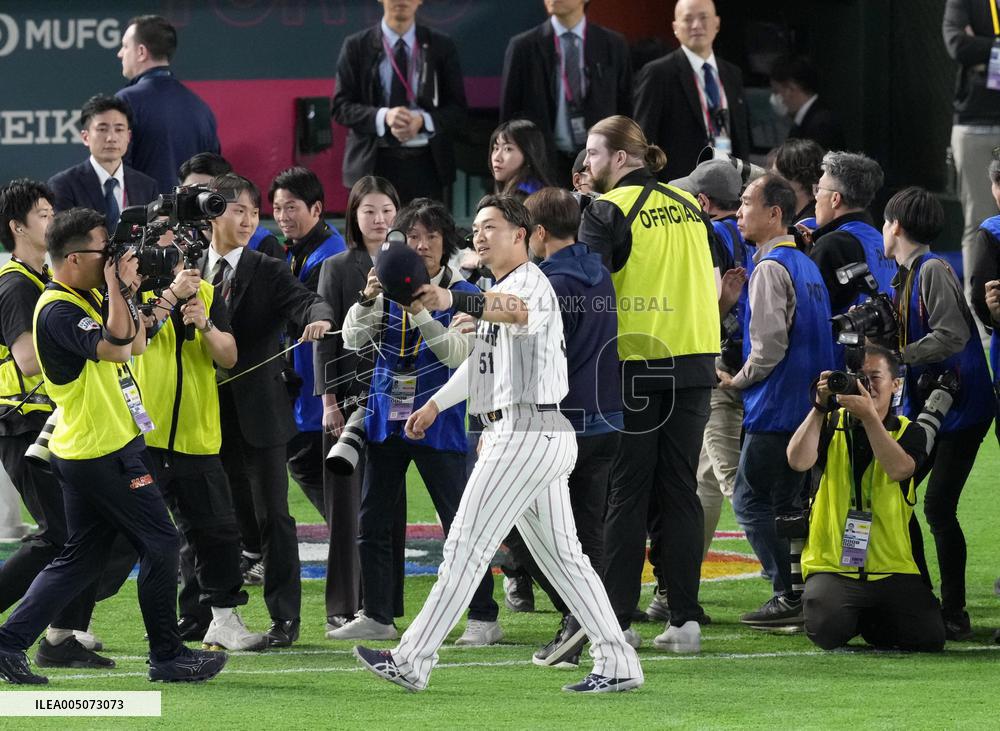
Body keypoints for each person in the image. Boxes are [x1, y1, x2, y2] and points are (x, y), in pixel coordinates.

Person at [354, 194, 643, 694]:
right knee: (567, 562)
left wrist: (451, 300)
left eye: (491, 226)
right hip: (530, 434)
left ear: (523, 235)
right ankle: (618, 662)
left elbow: (512, 310)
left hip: (526, 435)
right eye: (478, 227)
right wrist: (436, 405)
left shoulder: (533, 282)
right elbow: (479, 365)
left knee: (465, 545)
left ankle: (412, 659)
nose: (480, 235)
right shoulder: (503, 287)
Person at [0, 208, 226, 684]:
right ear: (76, 257)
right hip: (100, 452)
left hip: (96, 446)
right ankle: (167, 655)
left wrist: (141, 294)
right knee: (161, 542)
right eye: (105, 252)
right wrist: (119, 287)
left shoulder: (85, 296)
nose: (115, 258)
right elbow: (120, 344)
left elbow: (139, 342)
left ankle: (7, 642)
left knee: (80, 557)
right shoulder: (58, 309)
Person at [578, 116, 720, 654]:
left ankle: (616, 621)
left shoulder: (607, 211)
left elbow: (590, 294)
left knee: (627, 492)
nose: (587, 164)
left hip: (639, 361)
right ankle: (685, 620)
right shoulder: (689, 207)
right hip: (695, 360)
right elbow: (715, 273)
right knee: (680, 489)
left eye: (593, 153)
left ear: (619, 157)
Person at [330, 198, 499, 645]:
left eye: (432, 237)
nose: (422, 245)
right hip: (387, 415)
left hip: (441, 417)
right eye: (413, 237)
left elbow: (457, 356)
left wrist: (421, 311)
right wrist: (369, 298)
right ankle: (378, 614)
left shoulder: (464, 292)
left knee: (460, 522)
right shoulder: (383, 286)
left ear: (446, 244)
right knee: (373, 520)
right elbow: (351, 339)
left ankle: (483, 615)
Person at [204, 174, 334, 648]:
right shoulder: (185, 268)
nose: (248, 220)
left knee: (272, 516)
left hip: (260, 412)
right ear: (213, 211)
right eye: (237, 210)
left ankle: (285, 619)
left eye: (253, 212)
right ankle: (208, 614)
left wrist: (318, 317)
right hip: (198, 414)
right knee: (209, 515)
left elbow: (306, 300)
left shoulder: (267, 266)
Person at [132, 221, 268, 652]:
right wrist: (169, 296)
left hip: (196, 435)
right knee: (118, 538)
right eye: (165, 249)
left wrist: (205, 324)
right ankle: (68, 623)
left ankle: (224, 620)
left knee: (218, 533)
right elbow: (134, 340)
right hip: (142, 437)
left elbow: (229, 355)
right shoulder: (129, 294)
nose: (177, 259)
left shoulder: (205, 294)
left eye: (183, 251)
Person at [0, 181, 111, 668]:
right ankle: (53, 637)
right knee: (59, 534)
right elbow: (27, 359)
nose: (52, 221)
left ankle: (63, 635)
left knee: (80, 531)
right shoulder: (17, 284)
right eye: (43, 214)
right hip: (23, 421)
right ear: (17, 227)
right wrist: (79, 347)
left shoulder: (36, 277)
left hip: (48, 420)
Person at [720, 174, 835, 628]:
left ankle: (786, 594)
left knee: (750, 500)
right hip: (809, 406)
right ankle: (801, 592)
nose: (739, 212)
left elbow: (768, 348)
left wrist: (737, 382)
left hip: (777, 407)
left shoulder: (771, 268)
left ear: (775, 214)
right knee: (789, 505)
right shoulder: (805, 264)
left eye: (747, 203)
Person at [883, 186, 993, 640]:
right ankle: (926, 600)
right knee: (900, 495)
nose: (882, 232)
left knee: (935, 506)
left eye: (886, 223)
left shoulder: (929, 271)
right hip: (939, 403)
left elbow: (952, 335)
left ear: (897, 227)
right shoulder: (909, 272)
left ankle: (953, 610)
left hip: (962, 407)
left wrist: (900, 355)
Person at [521, 187, 623, 669]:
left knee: (532, 531)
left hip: (562, 422)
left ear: (538, 232)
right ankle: (589, 623)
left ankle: (577, 617)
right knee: (587, 531)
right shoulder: (599, 273)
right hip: (607, 416)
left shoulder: (547, 285)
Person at [787, 345, 945, 652]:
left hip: (891, 566)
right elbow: (797, 461)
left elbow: (899, 469)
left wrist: (870, 418)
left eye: (875, 377)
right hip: (833, 565)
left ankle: (868, 618)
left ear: (896, 384)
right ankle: (855, 615)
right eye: (860, 377)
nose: (866, 385)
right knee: (826, 632)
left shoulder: (909, 432)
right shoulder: (831, 423)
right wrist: (819, 407)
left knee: (928, 637)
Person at [314, 176, 407, 634]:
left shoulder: (411, 263)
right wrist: (328, 401)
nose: (379, 219)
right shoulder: (336, 266)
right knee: (347, 507)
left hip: (399, 399)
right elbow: (325, 340)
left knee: (390, 506)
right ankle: (342, 604)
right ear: (353, 216)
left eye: (387, 209)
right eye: (369, 210)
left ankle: (384, 606)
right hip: (350, 398)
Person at [671, 159, 753, 557]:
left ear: (702, 201)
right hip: (752, 360)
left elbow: (706, 302)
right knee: (706, 475)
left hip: (719, 364)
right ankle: (680, 581)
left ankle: (788, 581)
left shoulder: (708, 234)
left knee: (729, 477)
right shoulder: (750, 230)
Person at [269, 167, 347, 523]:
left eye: (291, 208)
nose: (283, 217)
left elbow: (321, 326)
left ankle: (353, 555)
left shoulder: (329, 254)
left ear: (316, 209)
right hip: (307, 390)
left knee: (312, 470)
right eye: (278, 208)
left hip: (317, 394)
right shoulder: (304, 248)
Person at [332, 0, 467, 204]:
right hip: (373, 162)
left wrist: (423, 121)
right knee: (373, 234)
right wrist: (384, 116)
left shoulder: (440, 45)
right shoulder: (357, 46)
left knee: (425, 231)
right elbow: (341, 106)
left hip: (427, 164)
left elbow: (457, 109)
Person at [500, 0, 632, 184]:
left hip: (600, 164)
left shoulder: (613, 44)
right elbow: (509, 117)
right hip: (543, 165)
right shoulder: (523, 47)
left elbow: (626, 110)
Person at [633, 0, 750, 181]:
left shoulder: (732, 73)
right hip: (680, 186)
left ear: (717, 23)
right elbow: (644, 140)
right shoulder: (658, 73)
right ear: (675, 27)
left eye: (704, 18)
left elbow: (741, 134)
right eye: (688, 19)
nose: (696, 25)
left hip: (729, 184)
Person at [116, 15, 220, 194]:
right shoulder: (202, 108)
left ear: (141, 52)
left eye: (125, 46)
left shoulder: (126, 101)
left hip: (145, 217)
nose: (120, 54)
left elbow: (116, 171)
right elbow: (216, 174)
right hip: (193, 219)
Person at [943, 0, 1000, 302]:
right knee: (979, 222)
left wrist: (984, 50)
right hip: (974, 124)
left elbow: (970, 47)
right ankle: (981, 319)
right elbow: (957, 45)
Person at [808, 152, 895, 336]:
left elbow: (809, 316)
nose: (815, 197)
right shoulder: (882, 241)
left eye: (819, 189)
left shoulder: (832, 246)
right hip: (883, 357)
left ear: (835, 199)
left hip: (841, 360)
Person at [47, 94, 157, 231]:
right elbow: (63, 240)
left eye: (119, 129)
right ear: (85, 137)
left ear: (128, 137)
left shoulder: (146, 186)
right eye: (102, 129)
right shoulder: (63, 185)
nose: (111, 138)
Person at [178, 152, 284, 260]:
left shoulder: (262, 243)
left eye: (207, 195)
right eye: (191, 193)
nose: (198, 202)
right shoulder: (181, 239)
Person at [768, 55, 844, 152]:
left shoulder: (822, 124)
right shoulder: (802, 122)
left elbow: (813, 164)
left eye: (776, 91)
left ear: (791, 88)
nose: (774, 98)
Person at [770, 138, 825, 239]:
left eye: (776, 175)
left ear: (798, 180)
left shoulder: (806, 231)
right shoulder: (819, 219)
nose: (771, 182)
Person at [490, 119, 555, 201]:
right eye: (496, 148)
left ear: (529, 153)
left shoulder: (525, 196)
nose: (497, 158)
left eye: (508, 149)